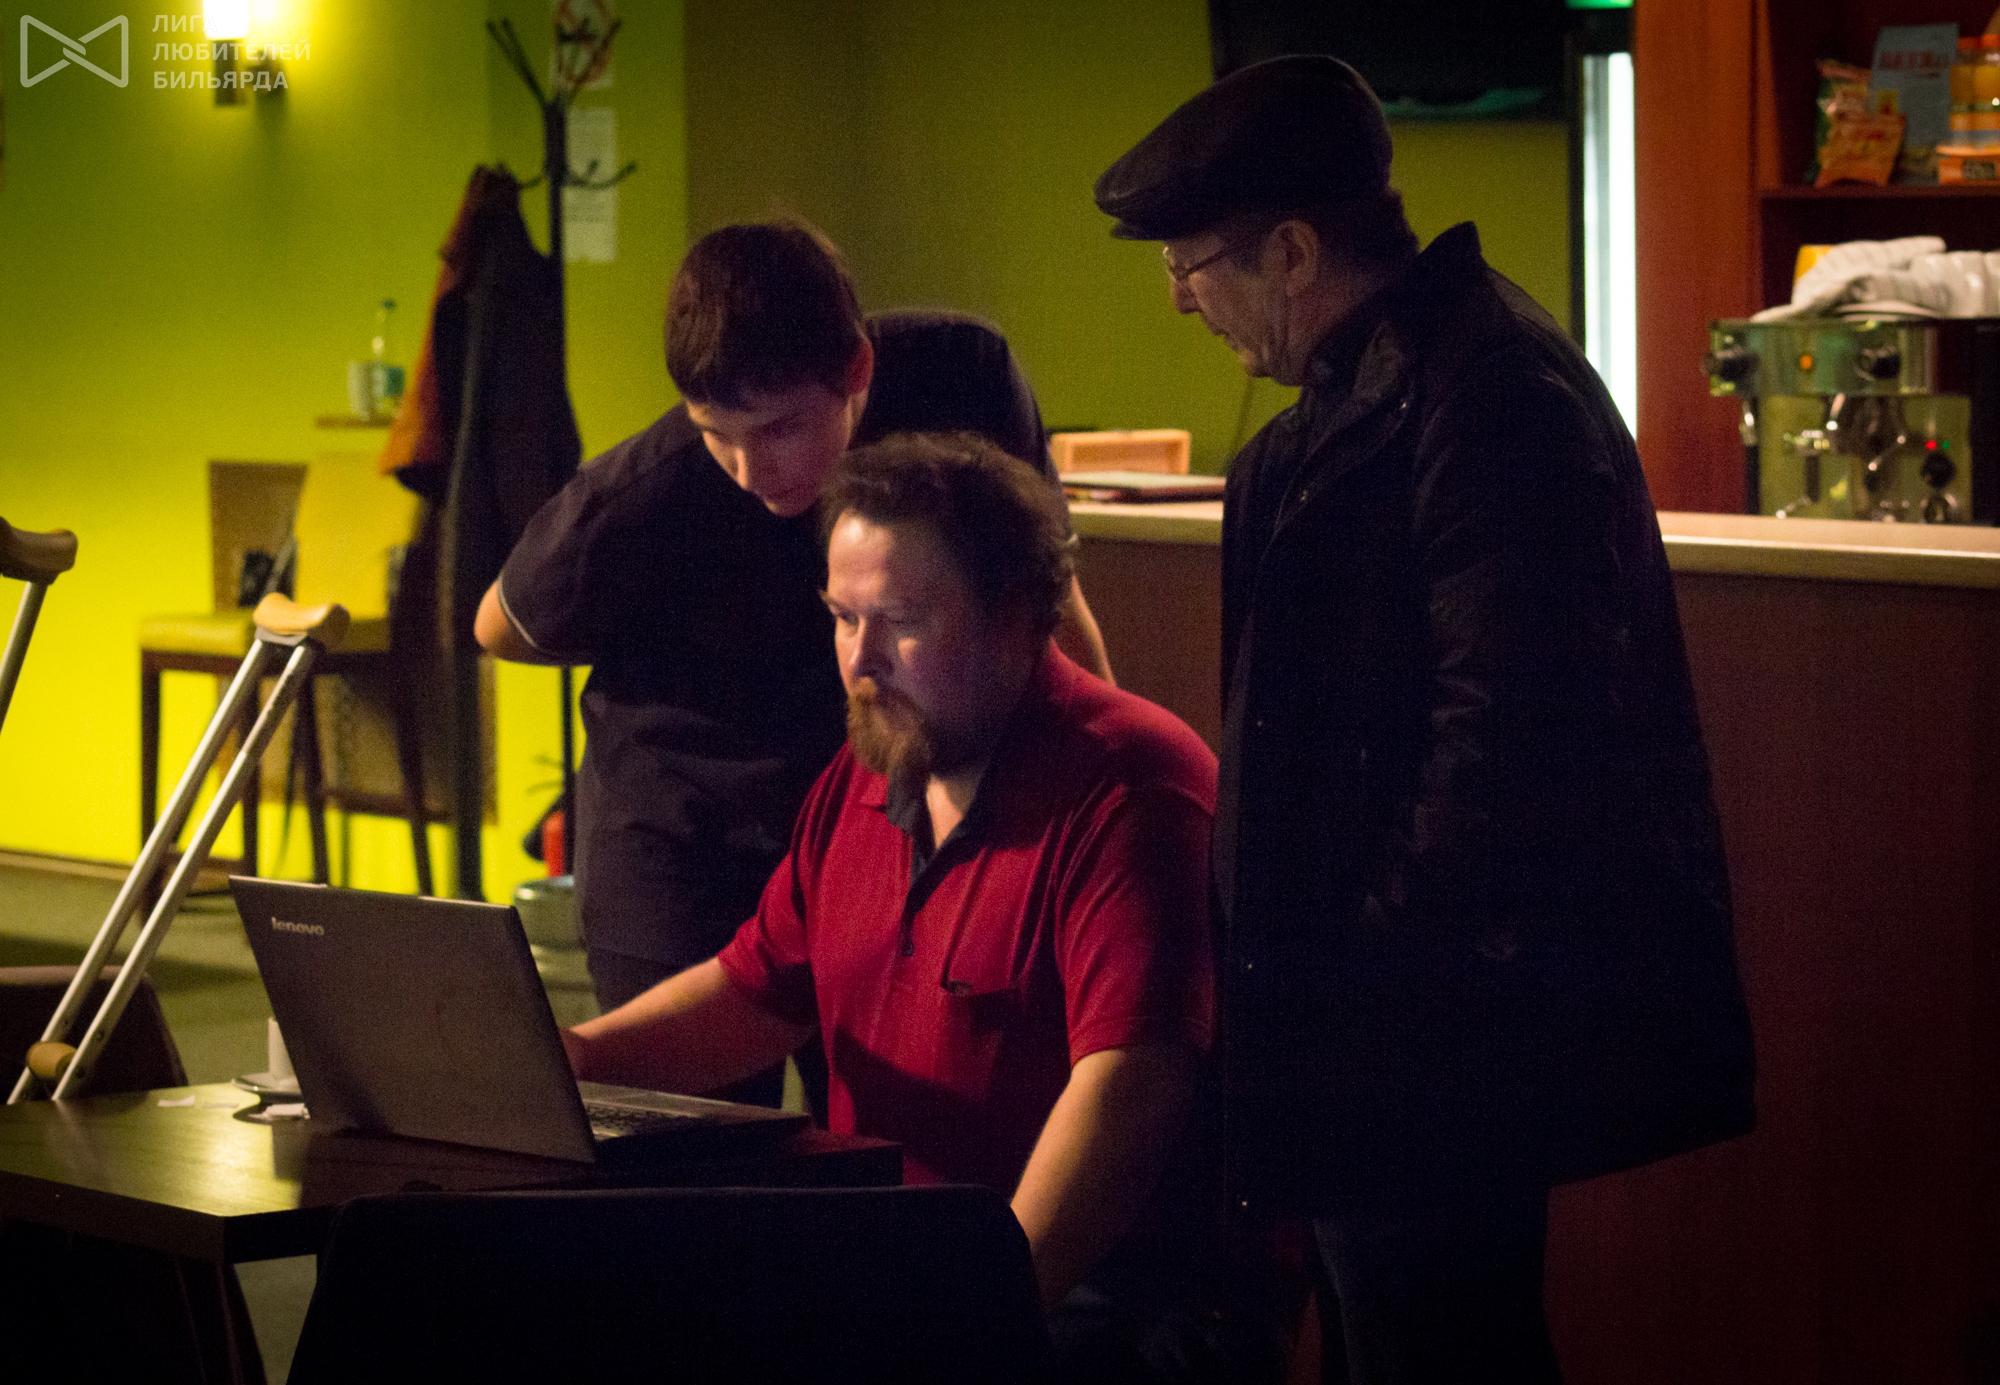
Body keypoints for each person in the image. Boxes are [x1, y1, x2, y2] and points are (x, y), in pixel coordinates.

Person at [1095, 56, 1756, 1383]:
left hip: (1418, 1032)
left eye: (1192, 262)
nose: (1177, 296)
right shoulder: (1379, 395)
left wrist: (1355, 974)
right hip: (1375, 1023)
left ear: (1293, 252)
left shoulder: (1491, 398)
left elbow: (1505, 750)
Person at [561, 432, 1224, 1375]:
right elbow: (758, 992)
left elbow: (1129, 1096)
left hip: (1101, 1297)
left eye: (901, 622)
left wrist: (974, 1320)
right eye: (842, 618)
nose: (859, 661)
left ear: (1017, 616)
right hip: (901, 1268)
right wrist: (569, 1060)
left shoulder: (1132, 789)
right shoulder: (869, 773)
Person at [475, 224, 1112, 1106]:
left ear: (857, 369)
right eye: (717, 433)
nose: (748, 469)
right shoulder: (649, 492)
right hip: (679, 840)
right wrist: (670, 642)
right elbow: (496, 625)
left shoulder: (963, 379)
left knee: (875, 1130)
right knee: (696, 1156)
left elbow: (1049, 599)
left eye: (779, 428)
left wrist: (1106, 778)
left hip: (862, 825)